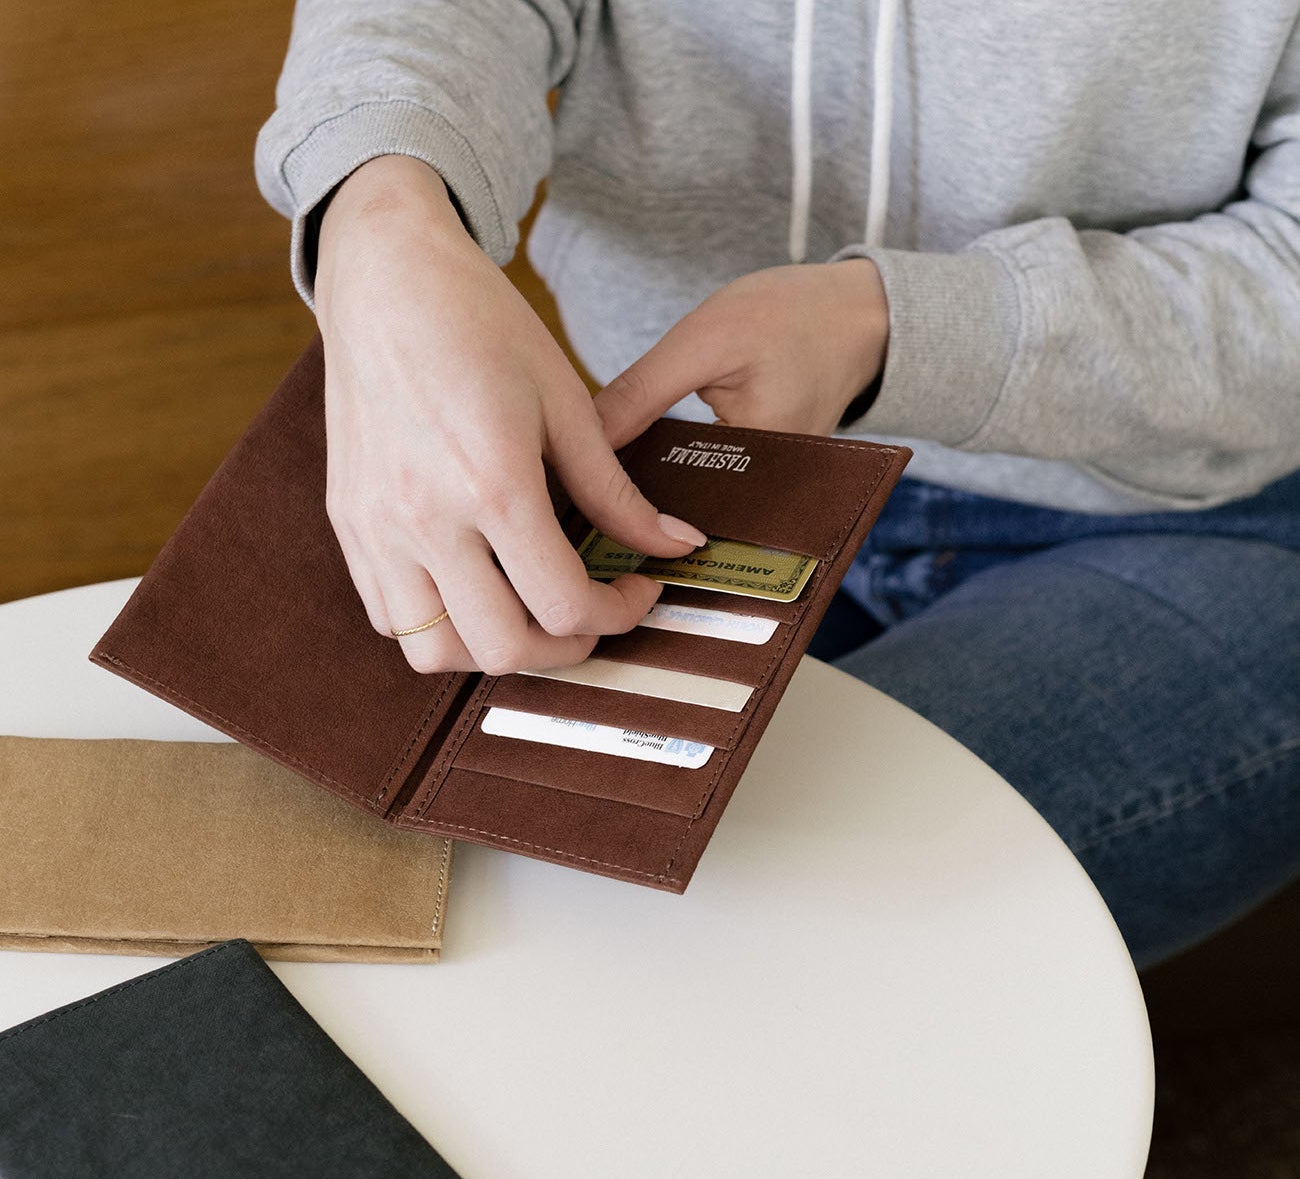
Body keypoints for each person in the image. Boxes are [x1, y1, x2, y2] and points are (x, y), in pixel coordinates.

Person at [253, 0, 1300, 971]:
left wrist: (890, 329)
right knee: (425, 850)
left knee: (728, 921)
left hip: (1191, 507)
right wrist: (381, 216)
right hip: (679, 470)